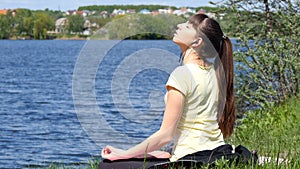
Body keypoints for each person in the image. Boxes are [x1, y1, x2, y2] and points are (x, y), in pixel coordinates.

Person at [99, 13, 240, 169]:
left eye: (187, 26)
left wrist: (124, 153)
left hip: (190, 159)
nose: (179, 25)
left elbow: (165, 135)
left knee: (106, 166)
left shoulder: (183, 74)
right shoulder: (214, 73)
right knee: (153, 155)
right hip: (215, 153)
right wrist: (157, 152)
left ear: (197, 41)